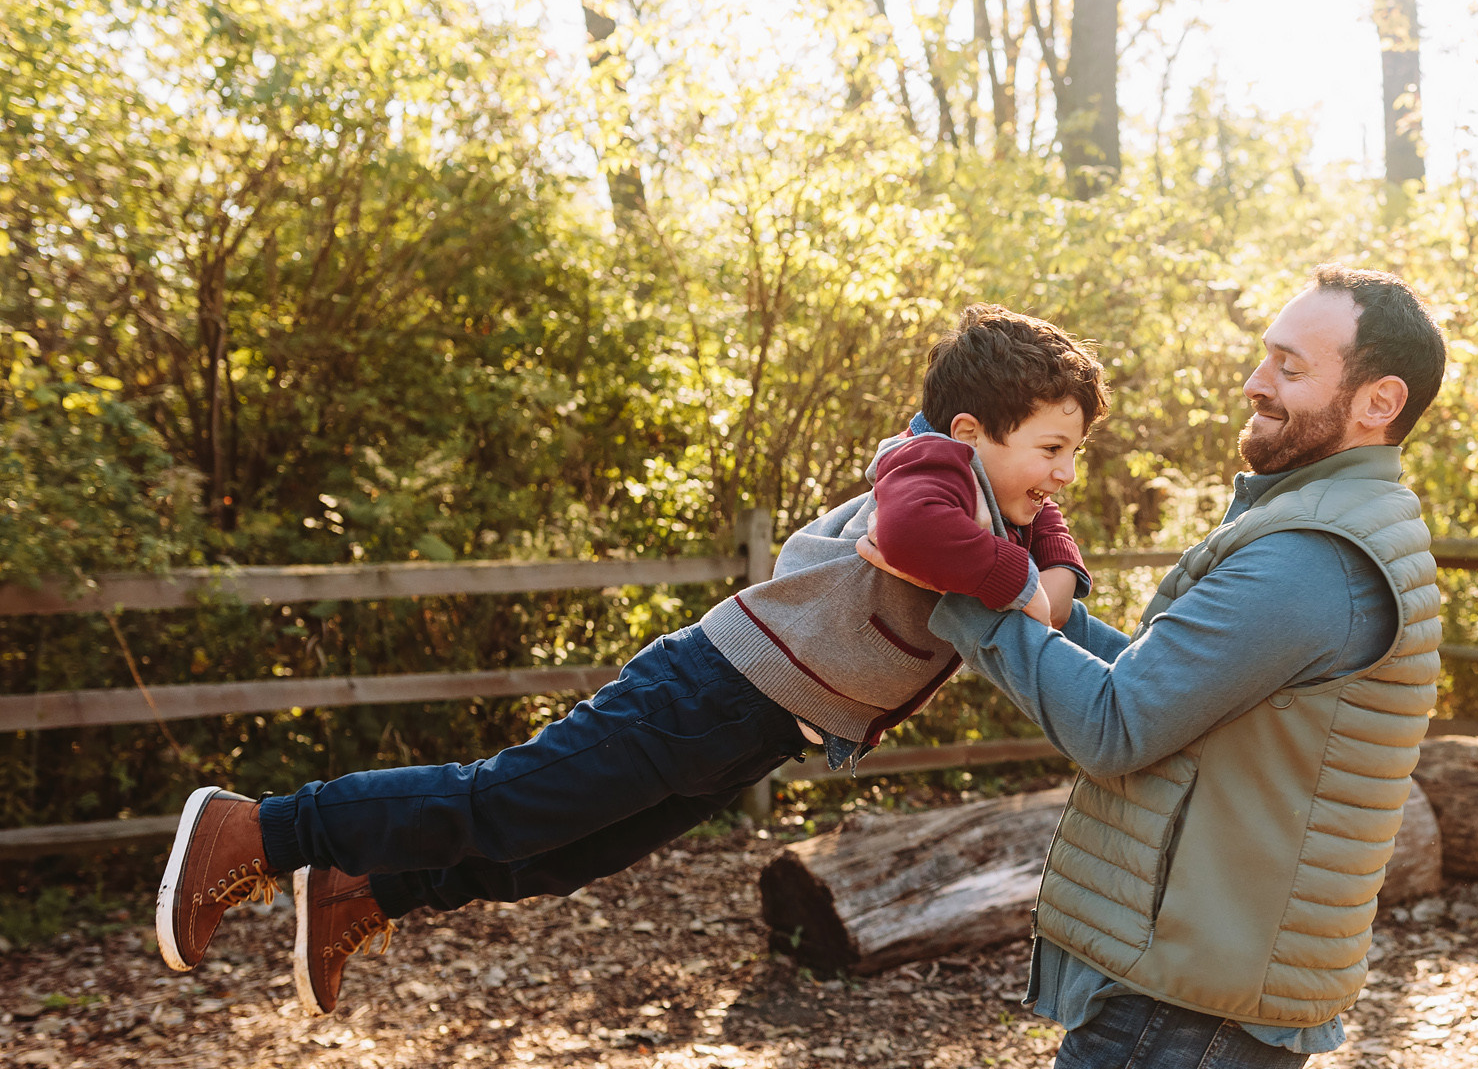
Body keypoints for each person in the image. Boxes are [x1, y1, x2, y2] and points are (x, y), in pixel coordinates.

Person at [864, 264, 1445, 1069]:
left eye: (1292, 365)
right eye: (1266, 354)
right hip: (1208, 967)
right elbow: (1166, 692)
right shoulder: (1323, 529)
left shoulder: (1314, 559)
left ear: (1375, 402)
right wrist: (1049, 612)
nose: (1257, 379)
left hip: (1190, 986)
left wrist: (970, 594)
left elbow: (1118, 726)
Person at [152, 305, 1105, 1015]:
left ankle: (373, 883)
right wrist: (1033, 589)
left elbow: (1043, 545)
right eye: (1052, 448)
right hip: (708, 690)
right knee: (505, 798)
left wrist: (1051, 568)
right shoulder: (930, 468)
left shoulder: (992, 490)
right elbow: (914, 534)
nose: (1063, 473)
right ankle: (260, 832)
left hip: (759, 725)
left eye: (1074, 451)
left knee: (564, 854)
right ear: (973, 432)